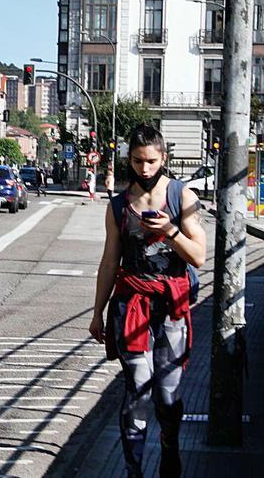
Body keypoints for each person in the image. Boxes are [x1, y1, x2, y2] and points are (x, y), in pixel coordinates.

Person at [89, 125, 207, 478]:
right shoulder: (119, 206)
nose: (145, 168)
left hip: (171, 305)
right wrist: (97, 312)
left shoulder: (182, 197)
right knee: (138, 387)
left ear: (163, 158)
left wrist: (170, 232)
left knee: (167, 394)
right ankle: (133, 469)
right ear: (130, 160)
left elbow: (199, 256)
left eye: (152, 161)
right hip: (131, 304)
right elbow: (109, 261)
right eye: (138, 161)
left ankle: (169, 445)